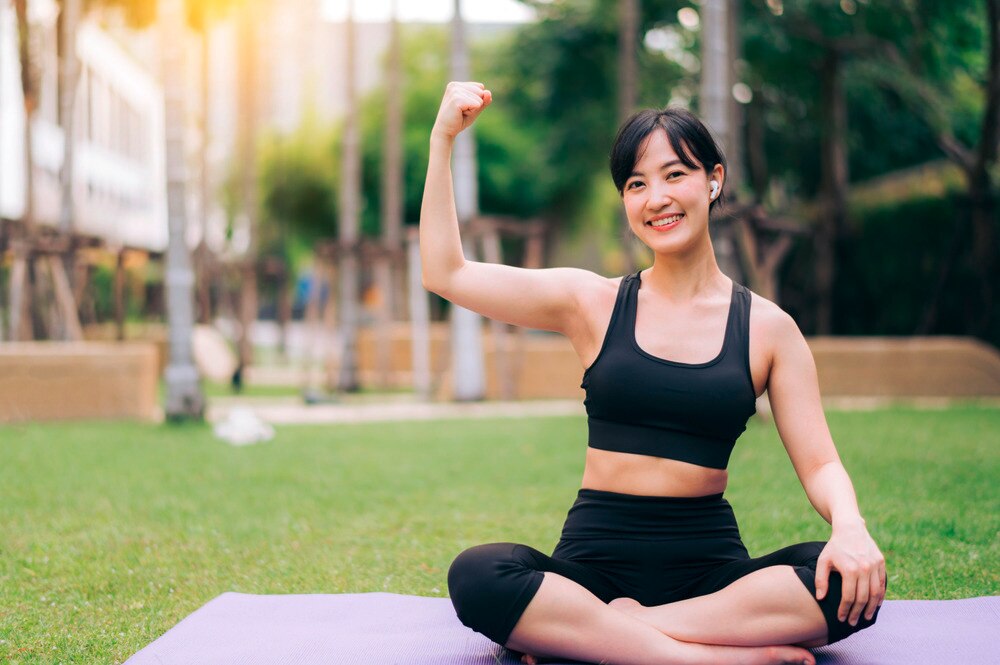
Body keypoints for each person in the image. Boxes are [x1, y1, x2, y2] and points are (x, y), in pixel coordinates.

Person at [420, 81, 886, 665]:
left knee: (848, 583)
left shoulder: (768, 328)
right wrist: (443, 139)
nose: (655, 198)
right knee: (479, 574)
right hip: (590, 565)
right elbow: (447, 273)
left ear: (713, 180)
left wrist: (851, 527)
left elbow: (820, 463)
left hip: (712, 578)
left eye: (674, 175)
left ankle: (604, 638)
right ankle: (711, 659)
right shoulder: (590, 302)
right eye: (636, 184)